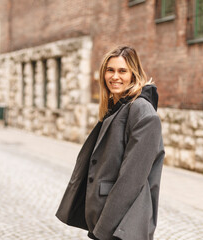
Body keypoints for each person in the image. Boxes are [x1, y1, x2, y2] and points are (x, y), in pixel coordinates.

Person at [56, 46, 165, 240]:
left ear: (134, 74)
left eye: (122, 71)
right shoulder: (116, 108)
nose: (115, 76)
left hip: (121, 225)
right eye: (110, 70)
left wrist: (103, 231)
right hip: (106, 217)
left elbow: (131, 180)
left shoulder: (142, 112)